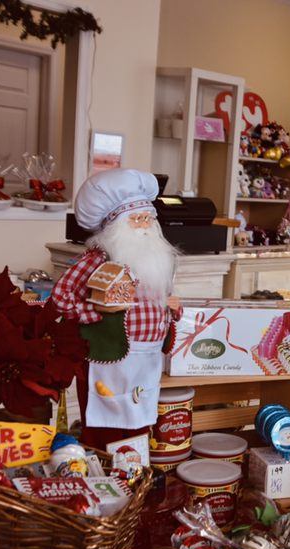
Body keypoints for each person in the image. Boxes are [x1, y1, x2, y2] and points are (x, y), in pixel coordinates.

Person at [51, 169, 181, 448]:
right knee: (105, 424)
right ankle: (104, 467)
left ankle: (135, 467)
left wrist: (172, 308)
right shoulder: (99, 258)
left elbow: (159, 300)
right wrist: (94, 313)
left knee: (140, 418)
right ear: (116, 226)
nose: (144, 225)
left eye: (148, 218)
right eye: (136, 219)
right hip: (108, 356)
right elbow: (61, 296)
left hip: (147, 358)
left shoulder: (160, 260)